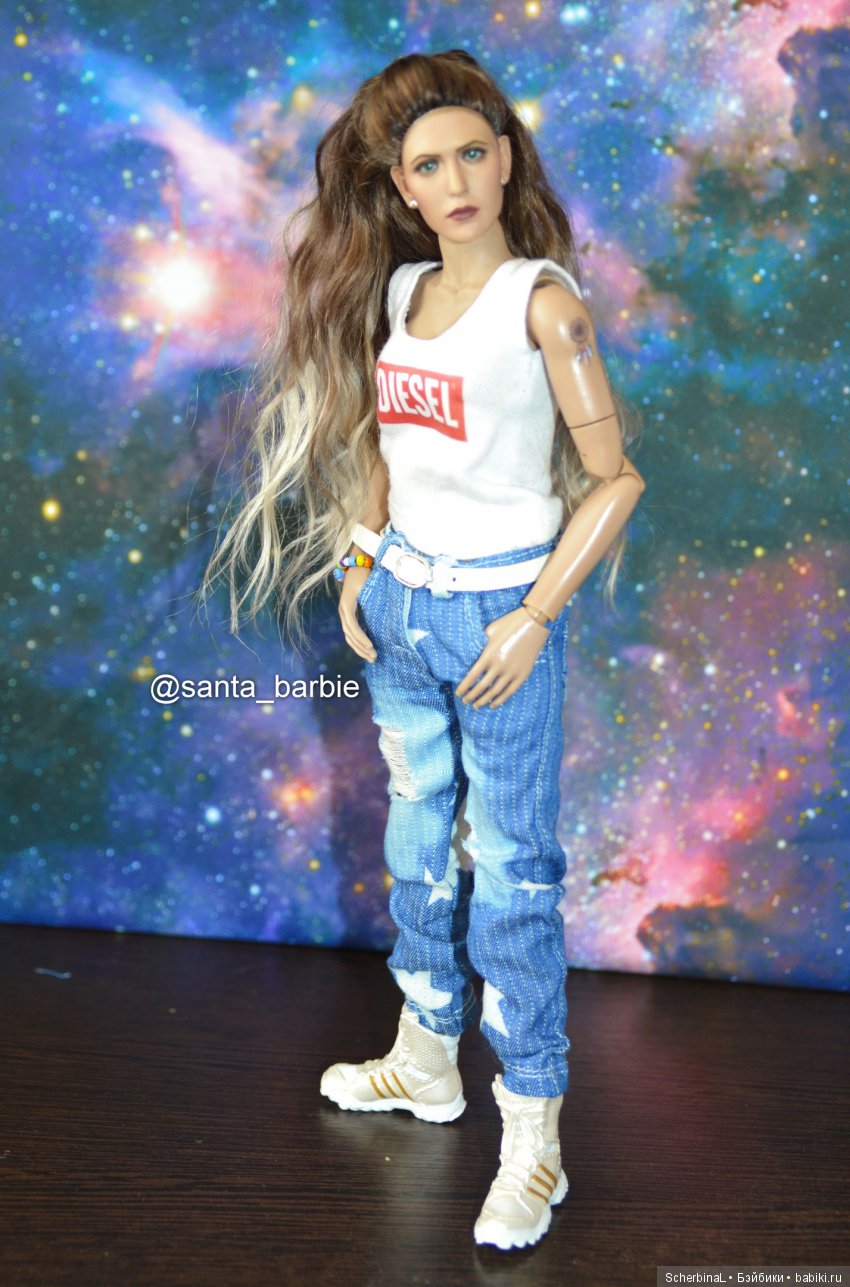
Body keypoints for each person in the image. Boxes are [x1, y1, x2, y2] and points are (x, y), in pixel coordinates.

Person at [199, 49, 645, 1252]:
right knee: (414, 850)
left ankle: (534, 1136)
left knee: (514, 876)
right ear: (400, 186)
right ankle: (426, 1057)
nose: (453, 182)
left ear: (505, 163)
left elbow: (614, 479)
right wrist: (361, 557)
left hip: (498, 613)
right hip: (400, 606)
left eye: (471, 156)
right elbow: (389, 445)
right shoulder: (400, 297)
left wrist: (534, 615)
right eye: (427, 165)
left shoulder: (543, 303)